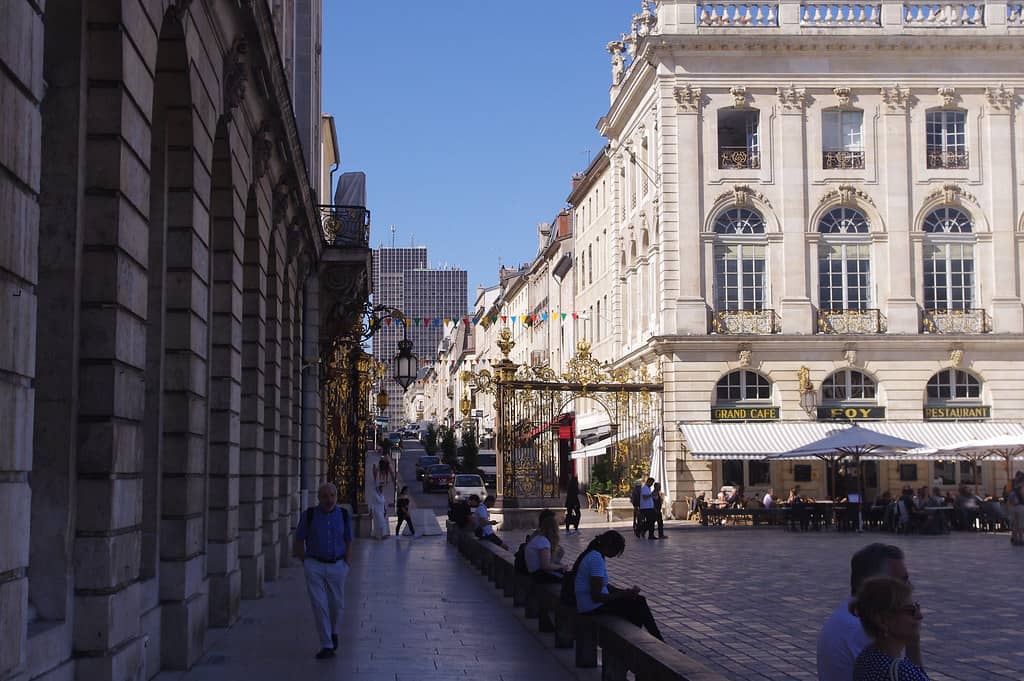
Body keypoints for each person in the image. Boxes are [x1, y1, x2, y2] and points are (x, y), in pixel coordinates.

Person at [816, 543, 915, 681]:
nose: (909, 587)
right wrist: (912, 640)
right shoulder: (863, 627)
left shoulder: (848, 613)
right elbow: (907, 675)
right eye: (901, 582)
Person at [293, 483, 353, 659]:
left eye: (332, 495)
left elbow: (349, 540)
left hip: (337, 565)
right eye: (325, 496)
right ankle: (326, 644)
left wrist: (347, 563)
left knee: (337, 605)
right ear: (319, 498)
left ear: (336, 497)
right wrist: (305, 562)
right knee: (319, 605)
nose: (329, 500)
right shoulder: (309, 515)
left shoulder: (343, 515)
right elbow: (299, 540)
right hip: (315, 566)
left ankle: (334, 632)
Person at [572, 530, 663, 640]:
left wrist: (624, 592)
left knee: (637, 604)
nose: (616, 555)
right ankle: (651, 640)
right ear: (610, 547)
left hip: (589, 604)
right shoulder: (595, 559)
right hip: (591, 607)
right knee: (639, 604)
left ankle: (639, 639)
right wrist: (622, 595)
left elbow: (603, 585)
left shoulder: (595, 554)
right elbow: (596, 597)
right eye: (617, 551)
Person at [849, 576, 930, 681]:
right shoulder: (902, 672)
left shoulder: (866, 657)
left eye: (917, 607)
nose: (919, 616)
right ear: (883, 621)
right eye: (911, 610)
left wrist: (913, 643)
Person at [525, 510, 566, 582]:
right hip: (539, 575)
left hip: (536, 573)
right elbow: (546, 566)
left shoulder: (539, 538)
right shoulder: (543, 541)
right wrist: (561, 566)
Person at [1009, 471, 1024, 545]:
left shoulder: (1011, 484)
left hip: (1012, 507)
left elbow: (1006, 494)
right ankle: (1021, 539)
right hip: (1020, 507)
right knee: (1021, 524)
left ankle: (1014, 538)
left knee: (1014, 524)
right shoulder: (1022, 486)